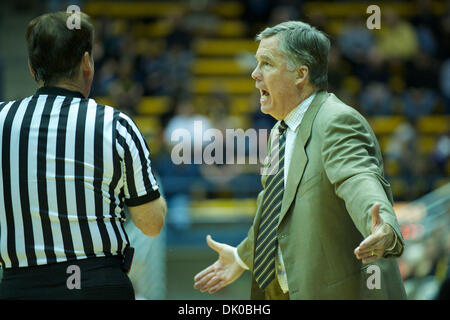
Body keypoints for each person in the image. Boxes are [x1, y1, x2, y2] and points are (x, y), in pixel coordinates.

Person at [194, 21, 406, 300]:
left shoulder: (336, 120)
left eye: (266, 64)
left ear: (300, 74)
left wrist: (382, 226)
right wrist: (243, 257)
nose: (255, 74)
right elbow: (274, 211)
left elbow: (358, 178)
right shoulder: (278, 133)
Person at [0, 11, 166, 299]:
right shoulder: (116, 125)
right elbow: (152, 224)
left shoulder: (2, 119)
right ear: (87, 63)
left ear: (31, 68)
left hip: (20, 287)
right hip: (97, 285)